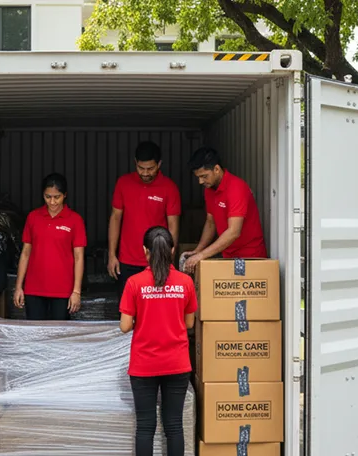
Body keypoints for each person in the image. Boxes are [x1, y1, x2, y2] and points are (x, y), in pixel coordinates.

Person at [119, 227, 197, 456]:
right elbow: (190, 323)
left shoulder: (134, 283)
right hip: (177, 364)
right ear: (172, 250)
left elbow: (124, 326)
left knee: (145, 426)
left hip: (144, 365)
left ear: (145, 251)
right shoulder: (185, 282)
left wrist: (144, 318)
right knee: (173, 425)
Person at [108, 141, 181, 294]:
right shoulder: (123, 183)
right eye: (141, 168)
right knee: (128, 310)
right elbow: (115, 219)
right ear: (135, 162)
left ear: (159, 164)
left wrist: (169, 258)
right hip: (127, 260)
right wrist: (112, 255)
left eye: (150, 168)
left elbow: (173, 226)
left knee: (155, 310)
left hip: (157, 259)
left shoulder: (169, 187)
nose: (145, 173)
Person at [182, 147, 267, 273]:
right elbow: (211, 223)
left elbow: (234, 232)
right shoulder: (209, 190)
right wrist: (198, 250)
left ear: (216, 169)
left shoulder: (236, 188)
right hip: (228, 255)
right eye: (198, 177)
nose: (200, 181)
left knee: (239, 292)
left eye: (204, 176)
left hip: (249, 257)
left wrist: (201, 256)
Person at [14, 173, 87, 320]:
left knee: (59, 338)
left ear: (65, 195)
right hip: (34, 288)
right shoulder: (33, 217)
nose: (52, 202)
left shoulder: (75, 220)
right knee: (35, 335)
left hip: (63, 290)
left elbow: (79, 257)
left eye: (57, 197)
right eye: (48, 197)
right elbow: (25, 253)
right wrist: (18, 287)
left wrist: (76, 291)